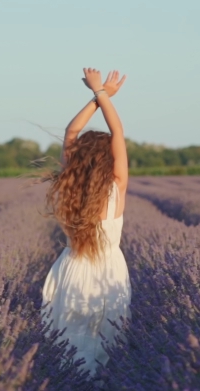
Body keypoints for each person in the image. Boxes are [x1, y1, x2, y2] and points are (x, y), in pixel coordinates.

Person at [41, 68, 131, 375]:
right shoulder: (116, 185)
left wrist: (97, 95)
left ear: (77, 161)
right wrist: (101, 93)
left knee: (69, 343)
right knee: (106, 342)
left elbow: (69, 134)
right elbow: (117, 133)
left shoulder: (69, 187)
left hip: (72, 267)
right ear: (109, 160)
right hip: (108, 271)